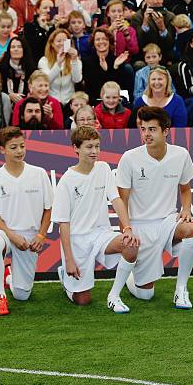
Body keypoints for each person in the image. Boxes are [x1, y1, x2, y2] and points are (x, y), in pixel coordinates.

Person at [116, 106, 193, 309]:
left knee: (192, 229)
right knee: (146, 294)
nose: (146, 134)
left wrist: (186, 209)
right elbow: (122, 199)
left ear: (166, 131)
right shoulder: (129, 157)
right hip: (139, 226)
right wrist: (126, 229)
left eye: (152, 129)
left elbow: (186, 189)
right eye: (143, 129)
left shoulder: (181, 154)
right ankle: (132, 276)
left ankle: (181, 290)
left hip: (167, 221)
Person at [53, 126, 139, 312]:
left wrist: (128, 229)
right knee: (83, 300)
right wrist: (68, 259)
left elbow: (116, 200)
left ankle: (114, 296)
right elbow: (63, 225)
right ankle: (66, 280)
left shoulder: (103, 168)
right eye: (89, 147)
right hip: (77, 242)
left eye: (97, 146)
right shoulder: (66, 181)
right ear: (76, 148)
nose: (94, 152)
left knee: (131, 245)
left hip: (101, 234)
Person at [0, 126, 53, 315]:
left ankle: (9, 276)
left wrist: (41, 235)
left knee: (22, 294)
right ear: (2, 149)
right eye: (13, 147)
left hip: (30, 238)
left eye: (22, 146)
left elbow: (48, 208)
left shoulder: (38, 173)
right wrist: (11, 236)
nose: (19, 151)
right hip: (5, 233)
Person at [131, 0, 176, 65]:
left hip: (164, 57)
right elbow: (138, 44)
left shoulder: (171, 17)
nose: (155, 2)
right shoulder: (137, 17)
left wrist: (162, 28)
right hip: (144, 58)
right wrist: (145, 23)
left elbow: (170, 45)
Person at [81, 27, 128, 103]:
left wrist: (114, 67)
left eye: (105, 39)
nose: (101, 42)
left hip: (114, 101)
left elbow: (118, 88)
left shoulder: (117, 61)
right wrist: (104, 70)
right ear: (93, 42)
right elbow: (91, 87)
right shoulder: (86, 62)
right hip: (95, 102)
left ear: (109, 41)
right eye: (98, 39)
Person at [38, 29, 83, 105]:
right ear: (52, 43)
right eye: (59, 41)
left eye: (65, 41)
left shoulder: (74, 60)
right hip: (51, 102)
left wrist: (75, 60)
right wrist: (58, 64)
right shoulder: (44, 61)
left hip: (69, 102)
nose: (62, 43)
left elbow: (77, 80)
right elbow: (46, 81)